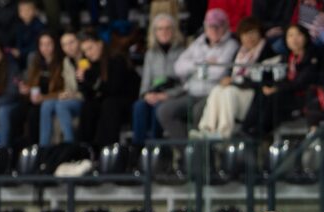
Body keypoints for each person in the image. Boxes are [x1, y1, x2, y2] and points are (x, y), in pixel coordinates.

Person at [157, 8, 239, 140]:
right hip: (191, 92)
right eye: (210, 26)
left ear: (225, 27)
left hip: (212, 94)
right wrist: (202, 63)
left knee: (197, 113)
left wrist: (195, 68)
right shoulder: (199, 42)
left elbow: (218, 72)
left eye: (218, 26)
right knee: (164, 111)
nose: (214, 30)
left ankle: (199, 153)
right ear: (205, 27)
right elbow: (178, 67)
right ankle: (186, 149)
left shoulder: (231, 45)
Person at [193, 16, 277, 138]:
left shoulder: (268, 52)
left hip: (254, 97)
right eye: (245, 34)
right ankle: (207, 129)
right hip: (238, 92)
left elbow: (263, 80)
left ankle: (224, 132)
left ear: (260, 33)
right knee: (217, 90)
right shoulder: (239, 53)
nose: (249, 37)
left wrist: (235, 81)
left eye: (253, 33)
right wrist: (231, 80)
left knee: (229, 92)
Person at [242, 23, 319, 137]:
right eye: (290, 35)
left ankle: (260, 131)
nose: (294, 39)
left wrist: (276, 88)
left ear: (306, 37)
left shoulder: (312, 56)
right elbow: (275, 77)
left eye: (298, 35)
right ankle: (248, 127)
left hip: (302, 97)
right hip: (285, 92)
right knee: (262, 92)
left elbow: (301, 82)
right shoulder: (287, 58)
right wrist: (269, 87)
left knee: (274, 96)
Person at [76, 31, 137, 150]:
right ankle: (84, 149)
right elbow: (88, 94)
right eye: (85, 51)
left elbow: (113, 89)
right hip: (105, 100)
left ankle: (105, 149)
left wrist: (91, 78)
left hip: (125, 100)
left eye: (90, 48)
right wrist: (82, 81)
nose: (88, 53)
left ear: (100, 44)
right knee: (88, 106)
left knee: (109, 104)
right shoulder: (87, 64)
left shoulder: (116, 59)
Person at [132, 13, 185, 146]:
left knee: (159, 108)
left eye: (168, 28)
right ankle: (138, 149)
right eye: (160, 29)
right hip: (153, 93)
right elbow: (146, 81)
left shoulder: (183, 52)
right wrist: (146, 95)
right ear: (154, 32)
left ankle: (157, 147)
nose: (164, 32)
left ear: (174, 30)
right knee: (139, 106)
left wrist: (166, 95)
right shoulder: (150, 54)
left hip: (173, 95)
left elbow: (185, 84)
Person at [37, 31, 83, 147]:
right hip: (72, 97)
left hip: (83, 99)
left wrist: (72, 95)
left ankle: (69, 145)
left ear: (79, 42)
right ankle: (44, 147)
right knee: (47, 105)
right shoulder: (67, 61)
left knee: (60, 105)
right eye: (64, 44)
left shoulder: (86, 59)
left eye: (71, 42)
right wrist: (66, 94)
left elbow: (87, 89)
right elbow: (68, 86)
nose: (68, 47)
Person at [18, 32, 62, 147]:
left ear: (55, 45)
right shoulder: (36, 61)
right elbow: (32, 84)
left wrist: (43, 98)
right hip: (36, 100)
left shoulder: (61, 63)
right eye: (42, 44)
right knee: (19, 110)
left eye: (48, 44)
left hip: (50, 100)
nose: (45, 48)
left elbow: (63, 91)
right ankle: (17, 151)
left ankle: (37, 148)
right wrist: (26, 89)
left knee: (34, 113)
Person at [0, 44, 20, 147]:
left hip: (13, 103)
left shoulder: (11, 67)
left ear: (2, 53)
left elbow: (12, 93)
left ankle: (2, 150)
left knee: (2, 112)